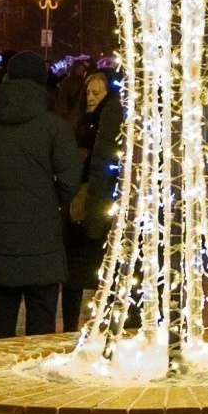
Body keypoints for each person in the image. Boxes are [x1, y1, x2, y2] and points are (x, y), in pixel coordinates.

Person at [0, 50, 83, 339]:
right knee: (41, 318)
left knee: (2, 314)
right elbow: (69, 178)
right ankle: (35, 375)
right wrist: (51, 199)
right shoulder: (54, 127)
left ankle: (0, 374)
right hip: (43, 237)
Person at [61, 66, 123, 336]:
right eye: (88, 91)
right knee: (74, 273)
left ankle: (100, 322)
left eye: (96, 92)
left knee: (98, 269)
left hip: (97, 205)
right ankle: (71, 323)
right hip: (77, 205)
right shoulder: (77, 119)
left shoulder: (108, 121)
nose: (90, 97)